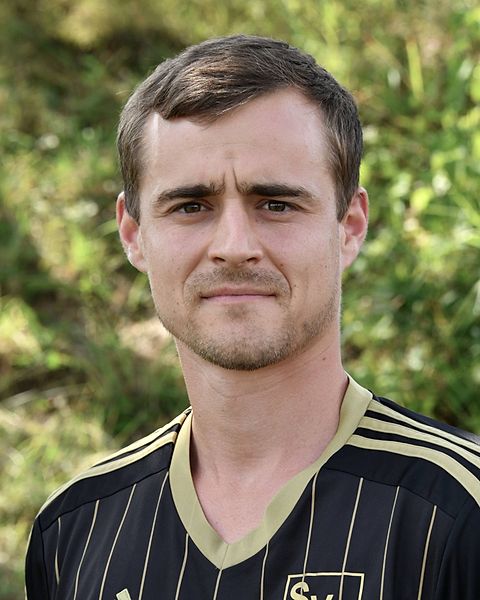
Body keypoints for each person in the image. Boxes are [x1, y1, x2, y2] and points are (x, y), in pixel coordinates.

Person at [25, 35, 480, 600]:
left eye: (276, 203)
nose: (234, 247)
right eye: (191, 206)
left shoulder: (460, 510)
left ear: (349, 226)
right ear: (134, 234)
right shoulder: (74, 530)